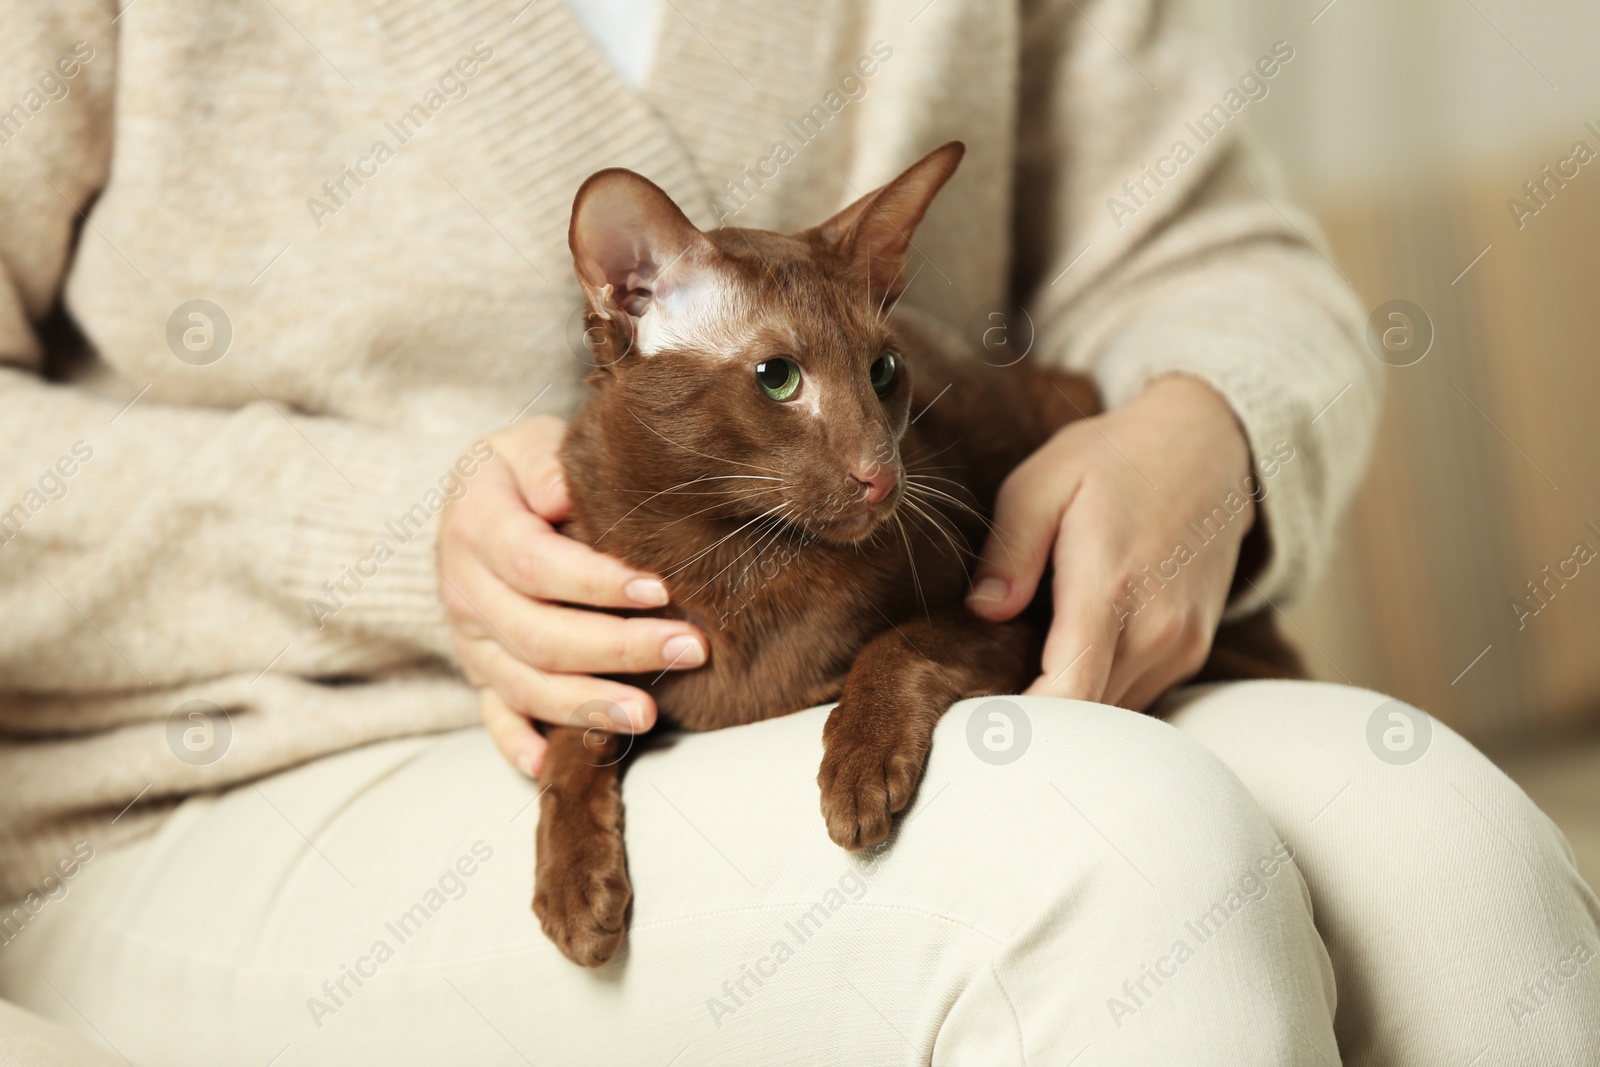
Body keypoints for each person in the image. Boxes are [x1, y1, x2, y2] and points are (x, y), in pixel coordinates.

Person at [1, 0, 1596, 1064]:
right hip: (242, 767)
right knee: (1117, 864)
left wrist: (1214, 423)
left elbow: (1208, 247)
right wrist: (378, 536)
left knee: (1444, 848)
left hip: (846, 653)